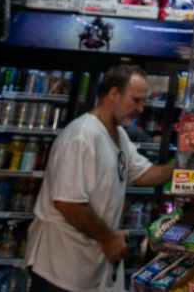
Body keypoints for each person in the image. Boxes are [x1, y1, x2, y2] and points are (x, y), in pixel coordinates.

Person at [25, 65, 174, 292]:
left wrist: (185, 167)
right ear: (114, 94)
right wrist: (108, 238)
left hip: (85, 269)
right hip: (58, 268)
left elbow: (144, 174)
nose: (141, 109)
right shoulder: (81, 136)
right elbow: (68, 203)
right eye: (136, 100)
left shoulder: (119, 135)